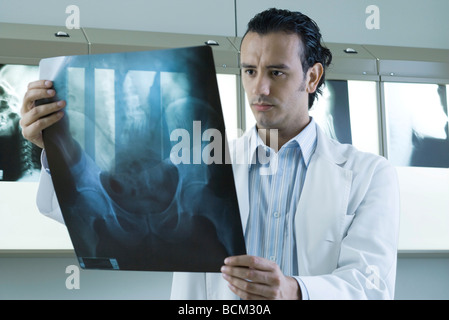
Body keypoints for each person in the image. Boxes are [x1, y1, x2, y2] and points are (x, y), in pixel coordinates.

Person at [20, 8, 400, 299]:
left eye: (277, 72)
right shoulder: (203, 161)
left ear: (312, 77)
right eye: (250, 71)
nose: (259, 89)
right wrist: (56, 147)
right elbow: (95, 215)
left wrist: (294, 290)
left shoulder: (368, 174)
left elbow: (372, 283)